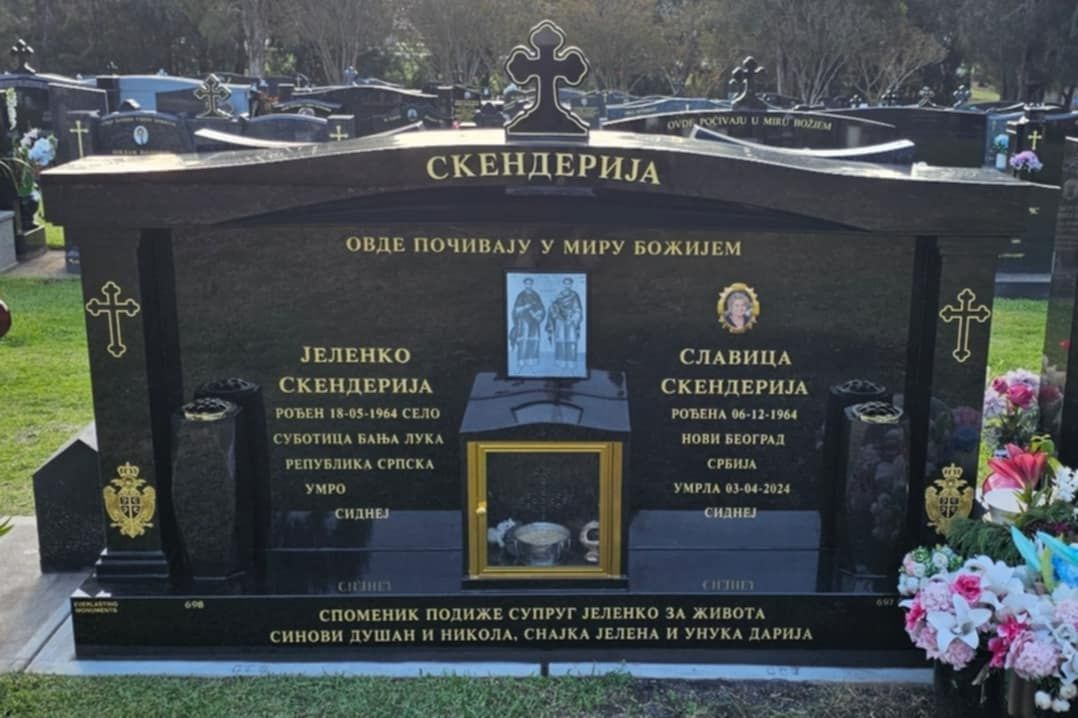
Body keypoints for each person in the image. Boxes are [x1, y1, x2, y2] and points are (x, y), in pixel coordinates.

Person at [546, 277, 583, 369]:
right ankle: (560, 362)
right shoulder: (558, 296)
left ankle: (571, 362)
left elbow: (578, 308)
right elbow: (552, 307)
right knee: (560, 340)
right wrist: (556, 316)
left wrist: (574, 317)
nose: (567, 285)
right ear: (563, 284)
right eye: (565, 283)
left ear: (571, 284)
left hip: (571, 321)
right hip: (560, 321)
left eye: (569, 283)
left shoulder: (575, 295)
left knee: (571, 341)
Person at [509, 278, 545, 368]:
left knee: (534, 340)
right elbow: (516, 310)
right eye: (527, 284)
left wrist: (538, 313)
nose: (528, 285)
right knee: (523, 341)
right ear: (524, 284)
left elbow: (541, 308)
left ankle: (532, 359)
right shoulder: (521, 295)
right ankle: (522, 360)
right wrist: (525, 307)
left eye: (530, 284)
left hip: (534, 322)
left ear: (532, 284)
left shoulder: (536, 295)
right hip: (523, 321)